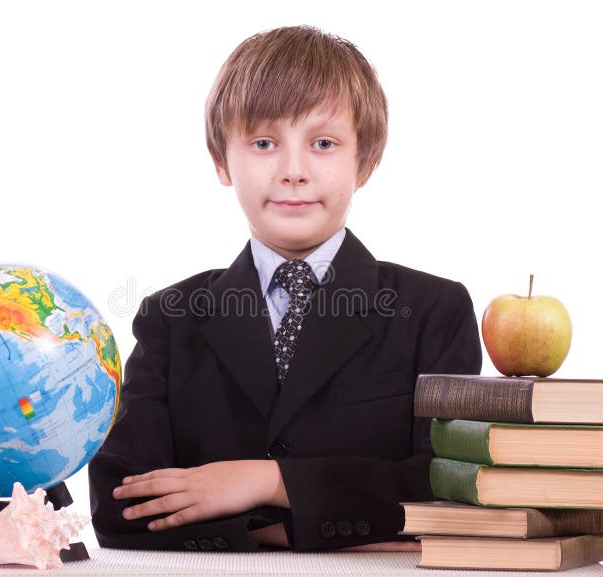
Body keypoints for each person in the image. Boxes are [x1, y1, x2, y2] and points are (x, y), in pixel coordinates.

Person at [88, 25, 482, 552]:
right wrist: (293, 528)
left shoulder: (435, 311)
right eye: (264, 143)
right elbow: (121, 504)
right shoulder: (170, 318)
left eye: (323, 143)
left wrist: (271, 482)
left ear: (364, 162)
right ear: (222, 161)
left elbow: (446, 487)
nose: (294, 171)